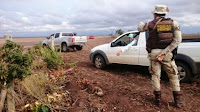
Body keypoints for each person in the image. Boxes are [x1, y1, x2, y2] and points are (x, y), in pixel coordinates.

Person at [137, 5, 183, 108]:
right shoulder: (173, 23)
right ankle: (177, 102)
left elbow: (139, 28)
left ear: (155, 14)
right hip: (167, 55)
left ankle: (157, 100)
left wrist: (141, 23)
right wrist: (165, 52)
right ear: (165, 13)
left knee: (155, 76)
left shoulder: (150, 24)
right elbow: (177, 40)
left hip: (154, 54)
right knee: (173, 76)